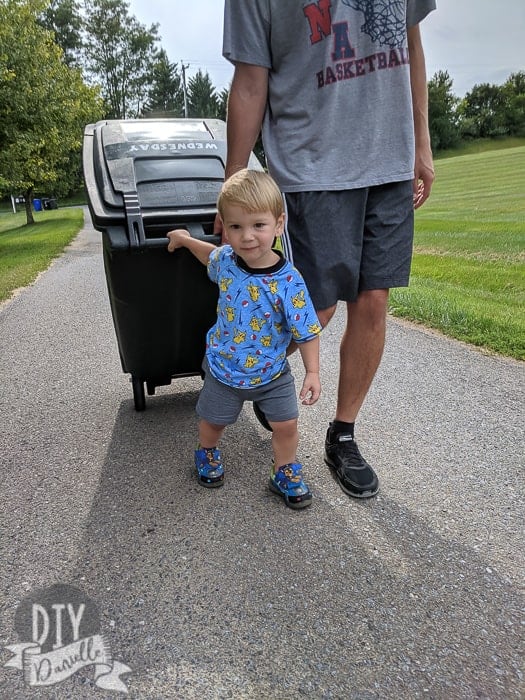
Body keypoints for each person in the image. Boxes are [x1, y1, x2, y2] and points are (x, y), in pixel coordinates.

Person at [221, 0, 436, 499]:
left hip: (389, 156)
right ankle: (257, 371)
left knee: (374, 301)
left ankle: (343, 434)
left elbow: (411, 41)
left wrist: (421, 142)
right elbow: (251, 81)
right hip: (311, 164)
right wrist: (235, 180)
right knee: (316, 305)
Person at [167, 169, 322, 509]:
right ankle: (206, 452)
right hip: (225, 371)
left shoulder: (289, 281)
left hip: (272, 374)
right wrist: (182, 238)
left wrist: (312, 372)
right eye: (236, 227)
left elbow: (307, 330)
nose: (247, 236)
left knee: (286, 425)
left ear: (278, 225)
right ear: (225, 226)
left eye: (258, 226)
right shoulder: (226, 262)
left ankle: (284, 470)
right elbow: (207, 253)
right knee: (213, 423)